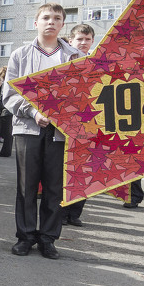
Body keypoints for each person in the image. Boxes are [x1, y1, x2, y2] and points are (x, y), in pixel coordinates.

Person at [3, 2, 80, 260]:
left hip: (61, 132)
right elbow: (9, 95)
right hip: (28, 128)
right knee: (26, 185)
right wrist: (33, 112)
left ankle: (48, 238)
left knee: (55, 187)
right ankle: (25, 236)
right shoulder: (20, 55)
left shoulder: (75, 57)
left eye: (57, 18)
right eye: (46, 17)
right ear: (36, 22)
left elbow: (83, 96)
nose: (51, 22)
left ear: (62, 24)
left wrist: (65, 116)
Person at [62, 24, 95, 227]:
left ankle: (74, 213)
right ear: (71, 41)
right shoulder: (63, 63)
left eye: (87, 39)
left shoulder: (98, 63)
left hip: (90, 125)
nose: (83, 43)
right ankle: (60, 211)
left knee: (84, 172)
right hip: (65, 124)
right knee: (62, 171)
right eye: (79, 39)